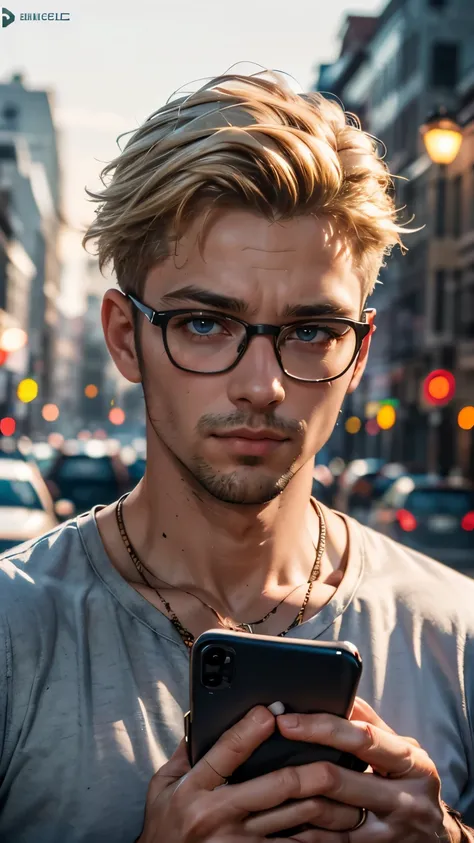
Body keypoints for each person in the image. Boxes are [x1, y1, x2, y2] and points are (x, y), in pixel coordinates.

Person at [0, 70, 473, 843]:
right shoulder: (15, 633)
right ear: (125, 336)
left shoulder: (456, 635)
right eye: (205, 324)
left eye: (313, 331)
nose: (263, 385)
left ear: (359, 355)